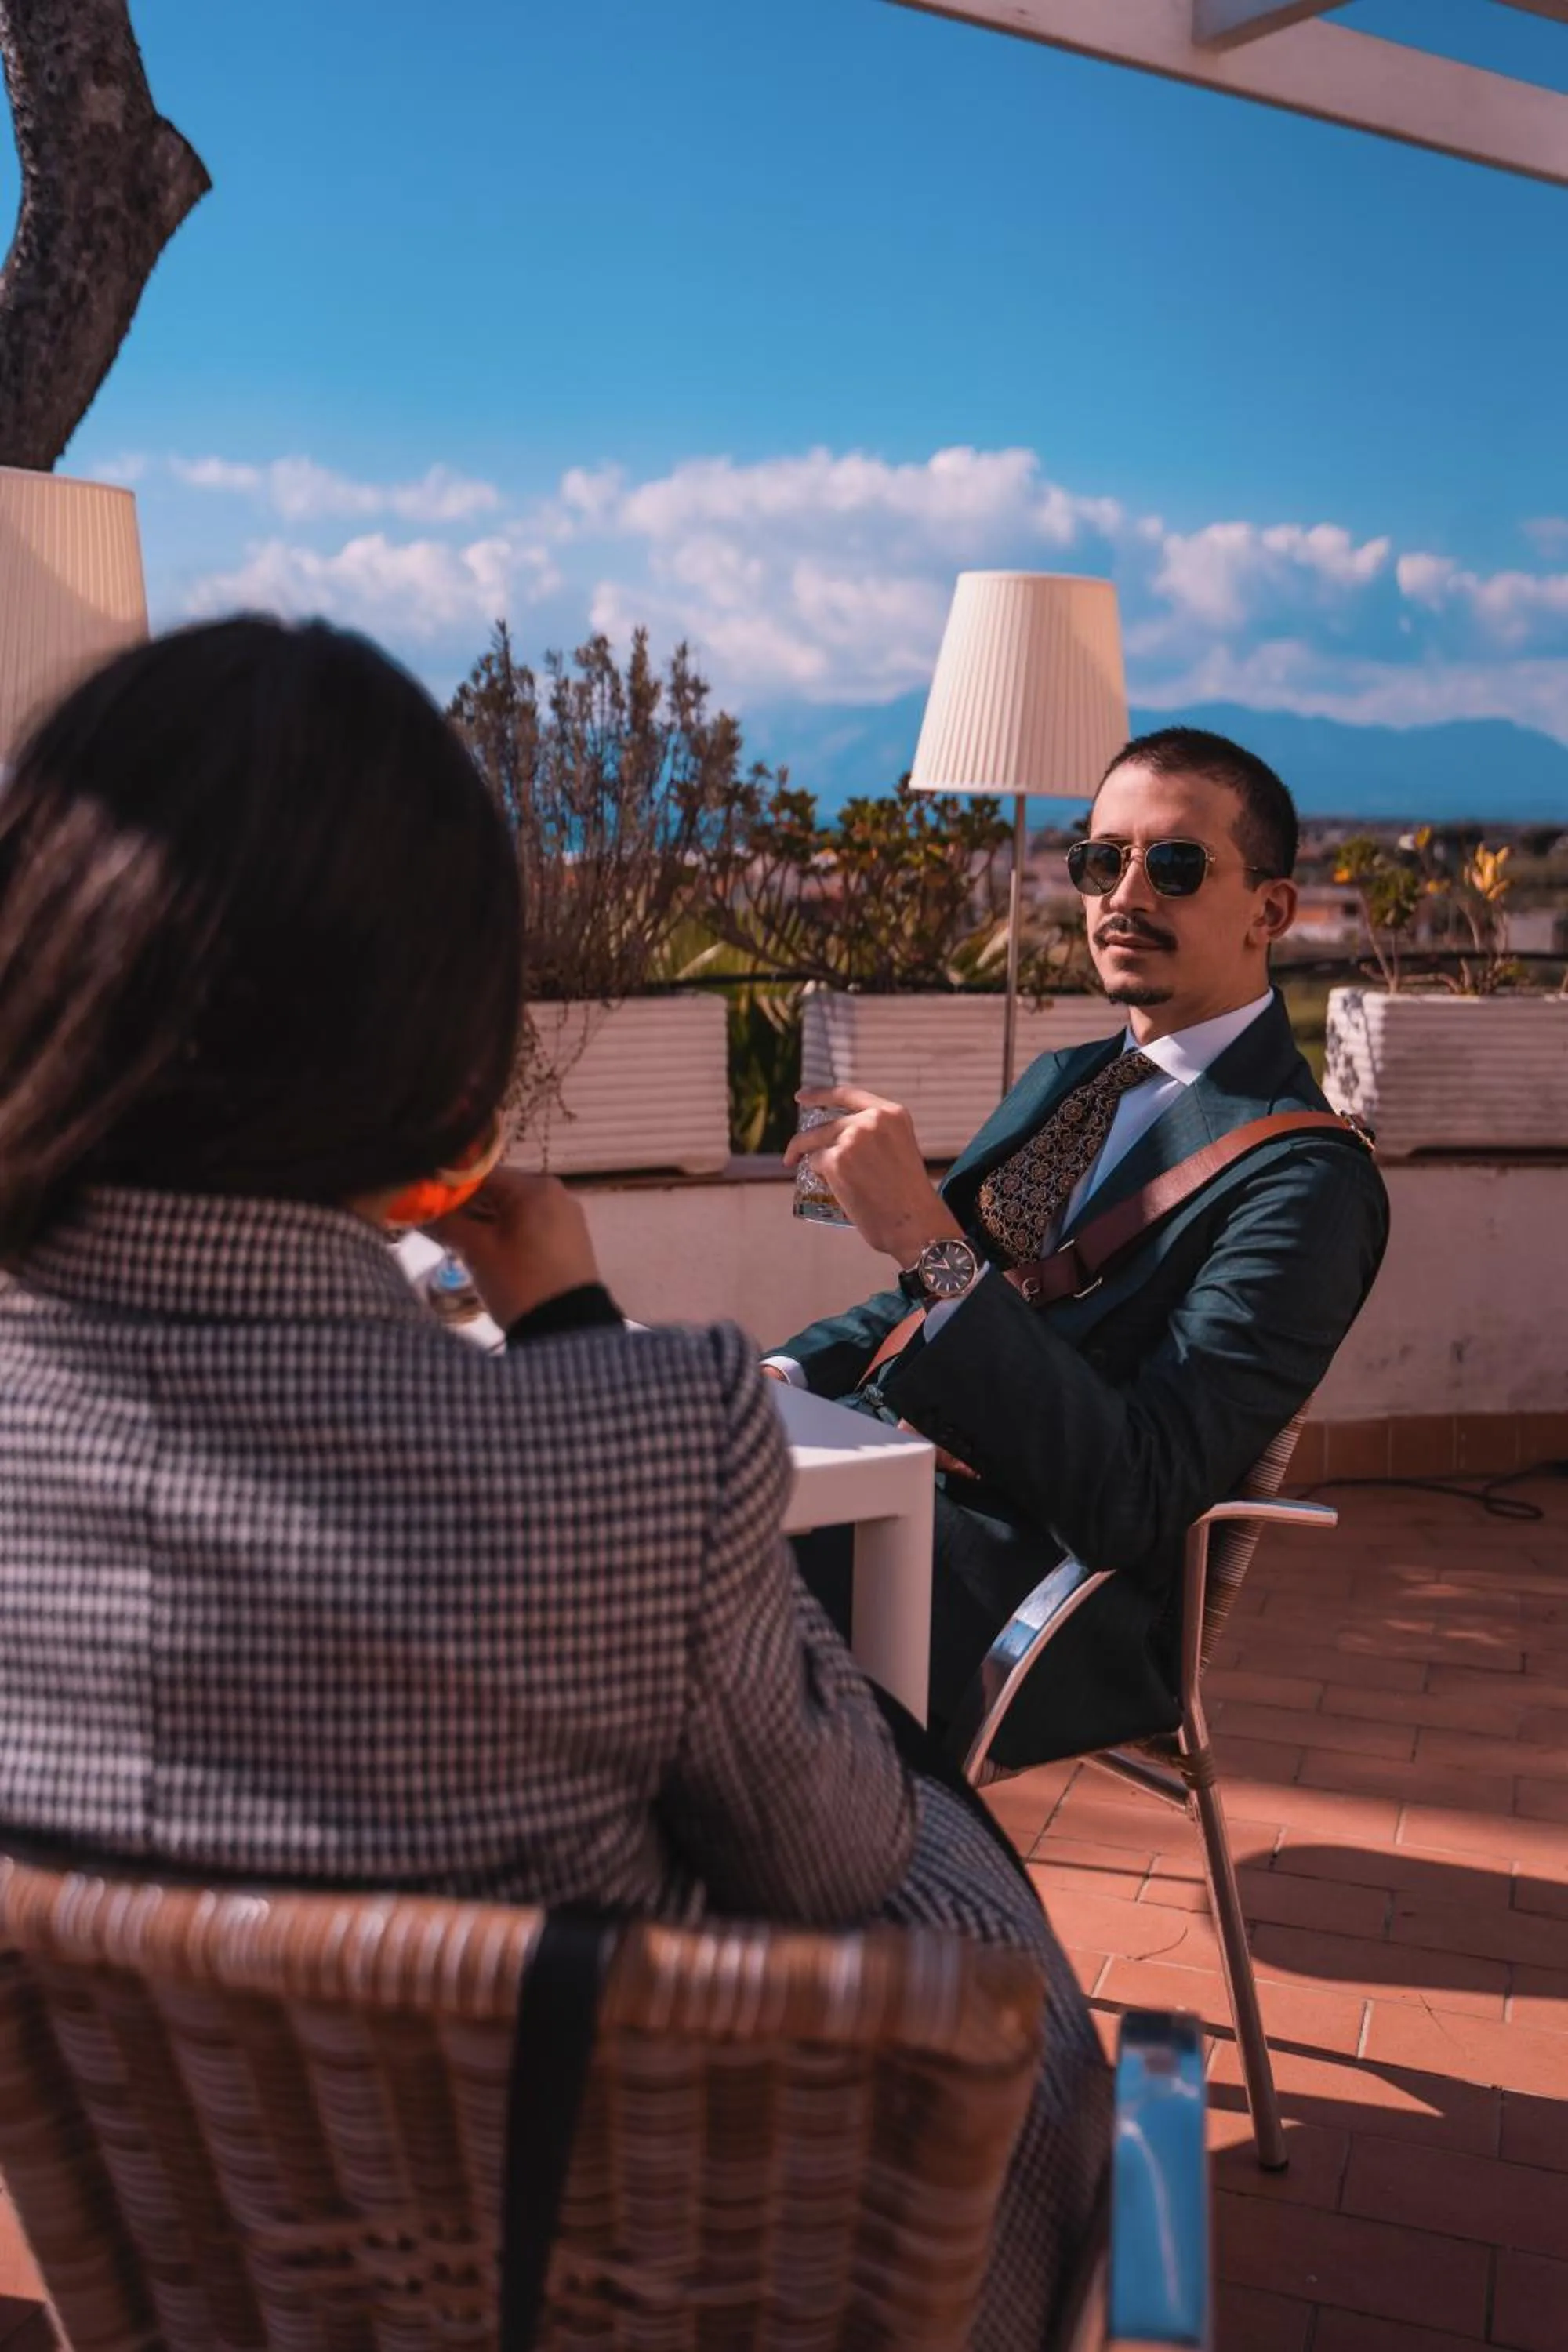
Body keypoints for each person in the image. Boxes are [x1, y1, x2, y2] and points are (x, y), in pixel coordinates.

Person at [0, 615, 1105, 2350]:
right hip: (619, 2266)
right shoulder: (640, 1444)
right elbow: (830, 1866)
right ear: (442, 1070)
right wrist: (582, 1331)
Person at [771, 728, 1391, 1766]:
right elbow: (923, 1311)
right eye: (1103, 860)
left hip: (1036, 1594)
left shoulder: (1308, 1182)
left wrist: (927, 1237)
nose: (1125, 894)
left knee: (624, 1599)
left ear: (1271, 911)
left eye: (1176, 864)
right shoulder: (1065, 1081)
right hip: (881, 1495)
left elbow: (1133, 1495)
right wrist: (776, 1374)